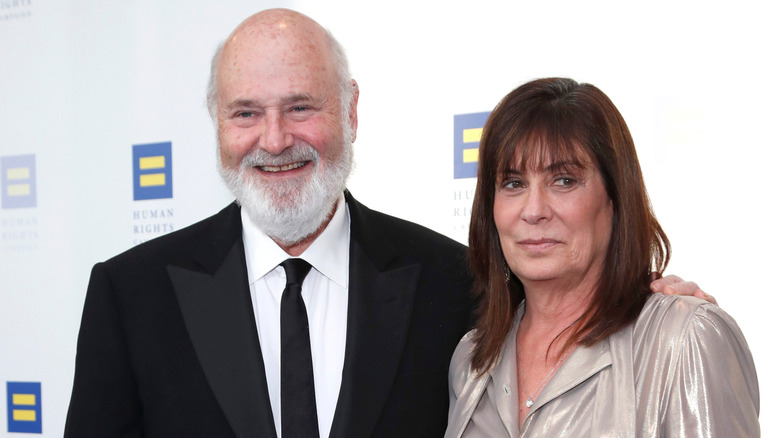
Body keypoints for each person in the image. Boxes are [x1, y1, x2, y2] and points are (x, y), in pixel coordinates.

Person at [64, 9, 712, 438]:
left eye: (300, 106)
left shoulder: (459, 284)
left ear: (350, 111)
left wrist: (645, 297)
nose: (275, 138)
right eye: (245, 113)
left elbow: (570, 320)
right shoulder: (131, 296)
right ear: (216, 123)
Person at [446, 78, 759, 437]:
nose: (533, 211)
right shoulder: (470, 360)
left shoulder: (683, 340)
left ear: (615, 199)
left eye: (563, 180)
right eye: (513, 184)